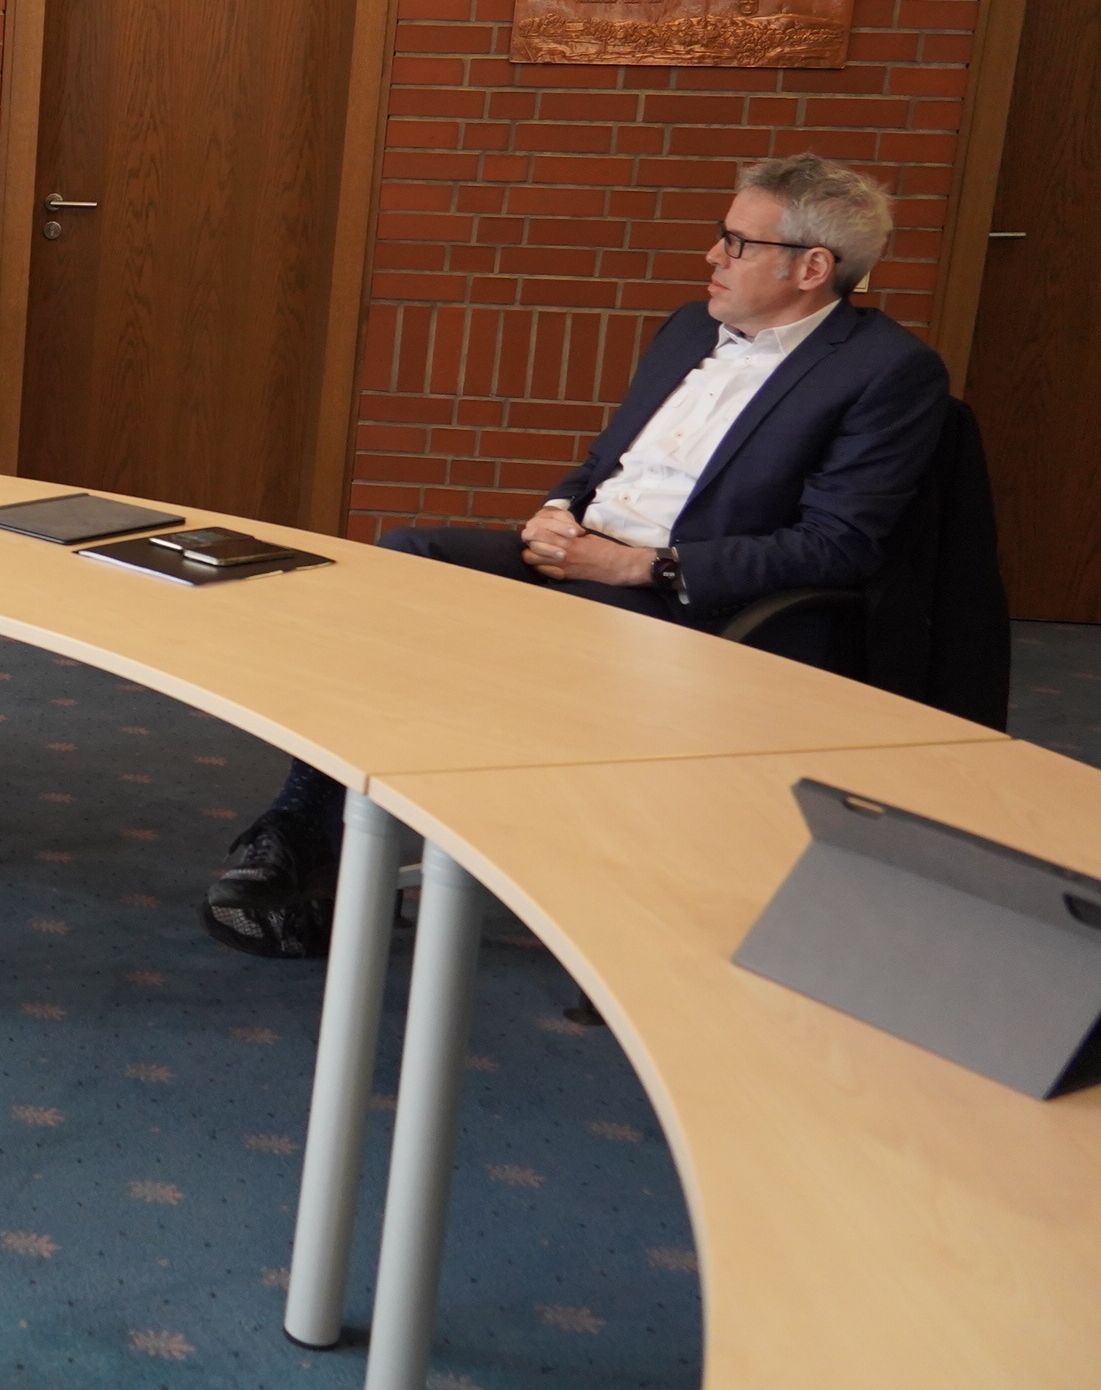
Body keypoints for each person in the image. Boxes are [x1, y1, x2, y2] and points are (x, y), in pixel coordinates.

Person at [205, 154, 948, 957]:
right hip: (588, 559)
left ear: (812, 268)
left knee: (447, 645)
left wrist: (643, 567)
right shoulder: (689, 327)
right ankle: (308, 829)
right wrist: (558, 513)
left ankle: (341, 853)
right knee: (405, 561)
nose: (713, 255)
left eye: (738, 243)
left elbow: (837, 546)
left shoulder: (887, 372)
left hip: (685, 597)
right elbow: (606, 464)